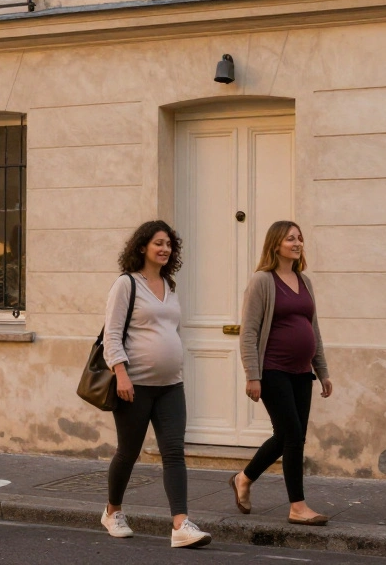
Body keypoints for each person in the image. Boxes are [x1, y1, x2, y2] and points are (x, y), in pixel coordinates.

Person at [100, 220, 211, 549]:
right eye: (158, 243)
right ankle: (112, 511)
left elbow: (171, 331)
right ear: (142, 247)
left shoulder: (169, 285)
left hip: (171, 385)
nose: (165, 249)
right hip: (135, 385)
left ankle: (180, 524)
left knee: (174, 452)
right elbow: (111, 334)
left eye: (169, 244)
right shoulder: (126, 284)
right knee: (128, 453)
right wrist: (121, 374)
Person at [230, 221, 333, 526]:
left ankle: (243, 478)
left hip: (302, 372)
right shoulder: (262, 281)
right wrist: (252, 375)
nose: (297, 243)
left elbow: (313, 329)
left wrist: (323, 370)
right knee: (293, 436)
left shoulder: (304, 281)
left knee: (289, 435)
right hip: (273, 369)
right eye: (290, 238)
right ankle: (297, 507)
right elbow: (249, 331)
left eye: (299, 238)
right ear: (276, 244)